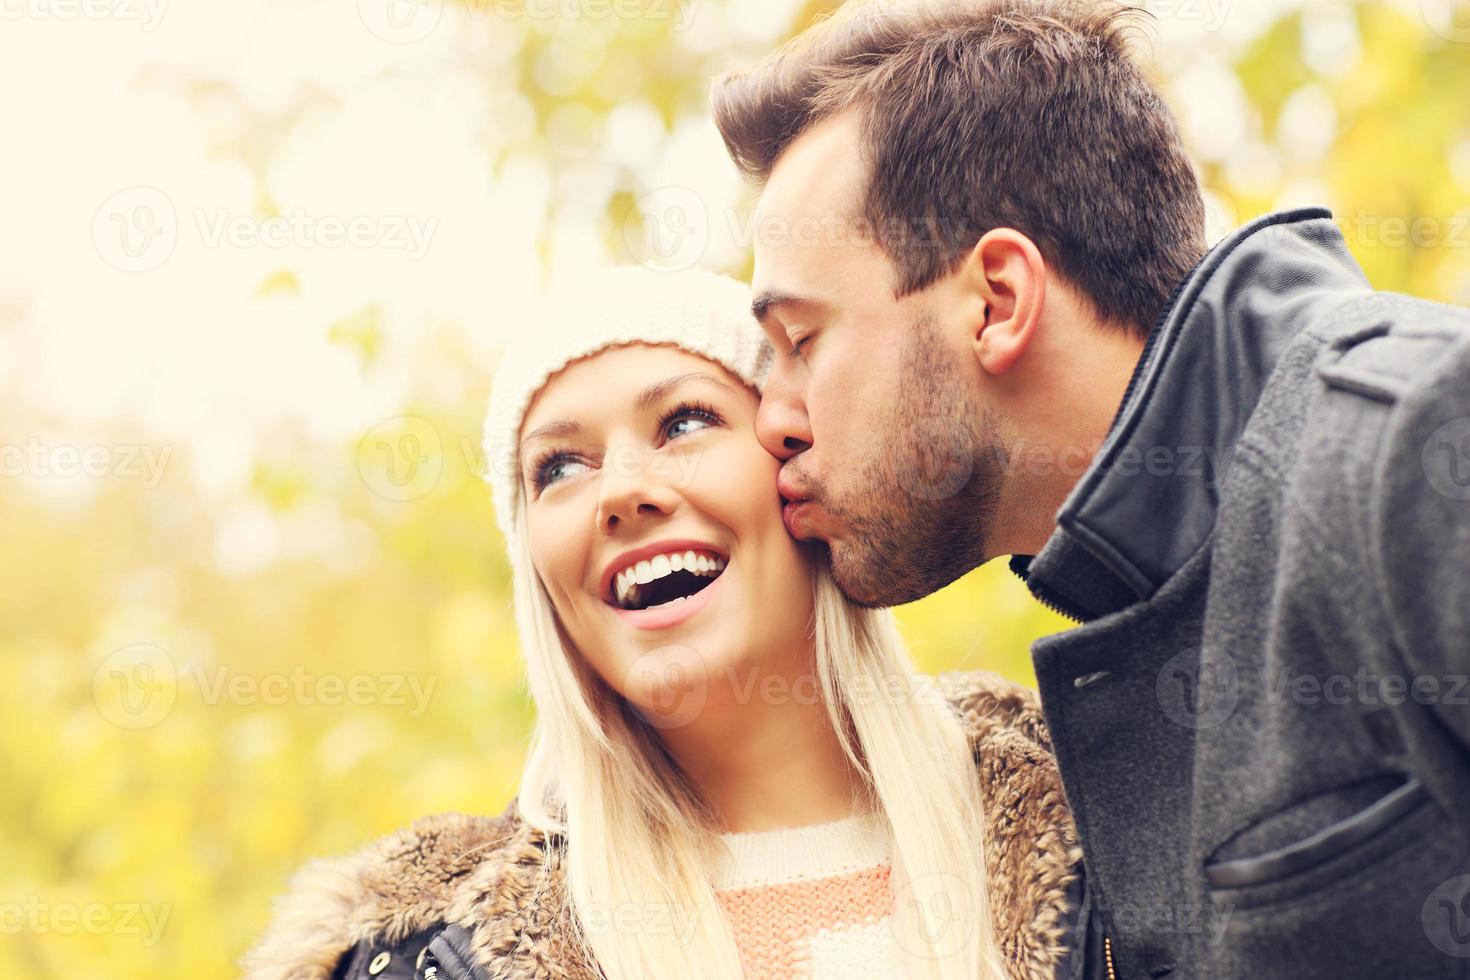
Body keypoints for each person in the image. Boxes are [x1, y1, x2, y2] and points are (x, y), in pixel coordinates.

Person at [710, 0, 1470, 977]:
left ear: (997, 300)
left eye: (802, 341)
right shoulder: (1140, 607)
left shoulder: (1406, 438)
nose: (771, 415)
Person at [241, 266, 1104, 980]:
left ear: (798, 477)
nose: (620, 491)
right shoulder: (415, 955)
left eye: (684, 421)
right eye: (559, 467)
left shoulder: (1113, 819)